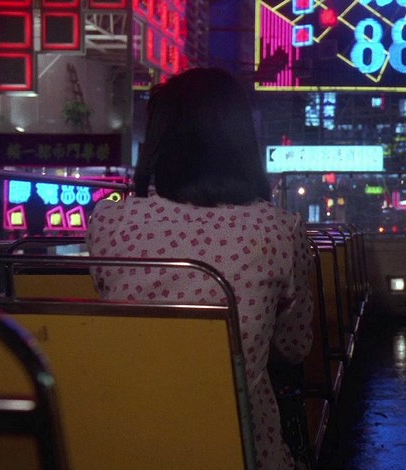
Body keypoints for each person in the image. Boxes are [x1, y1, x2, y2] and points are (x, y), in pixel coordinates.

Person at [85, 67, 313, 470]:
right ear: (241, 141)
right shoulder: (279, 228)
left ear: (159, 140)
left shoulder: (109, 222)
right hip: (242, 450)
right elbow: (295, 348)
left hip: (122, 444)